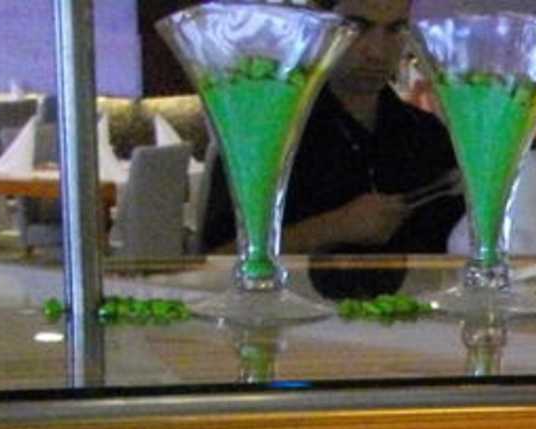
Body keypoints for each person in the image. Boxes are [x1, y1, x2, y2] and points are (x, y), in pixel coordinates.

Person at [198, 0, 464, 260]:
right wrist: (332, 228)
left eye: (395, 29)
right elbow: (214, 261)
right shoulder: (266, 133)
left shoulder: (426, 134)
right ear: (318, 26)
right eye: (357, 27)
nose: (377, 52)